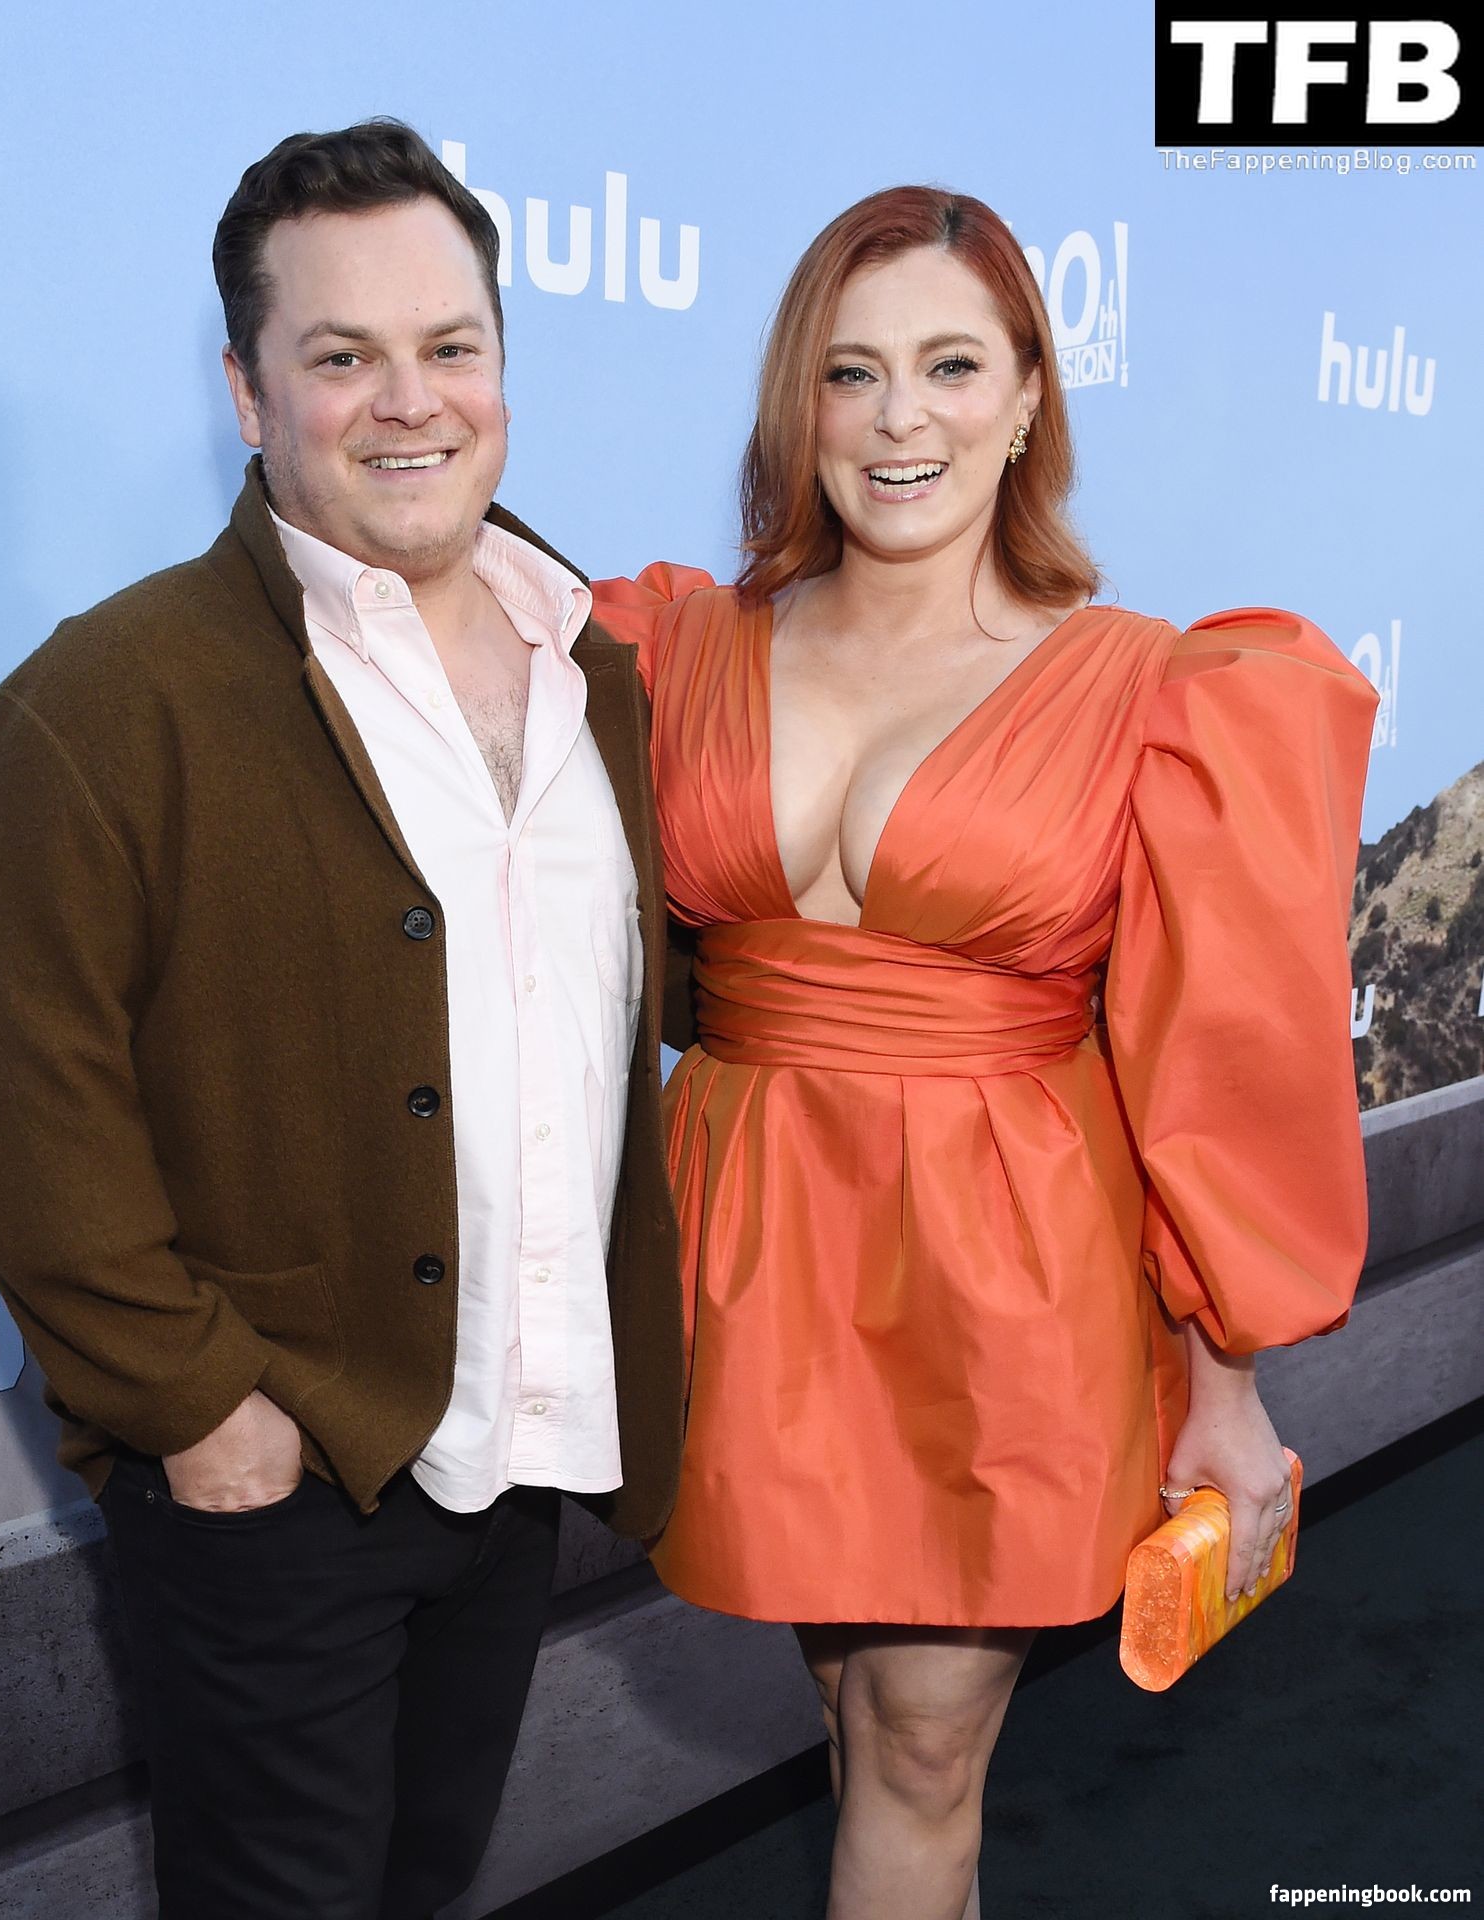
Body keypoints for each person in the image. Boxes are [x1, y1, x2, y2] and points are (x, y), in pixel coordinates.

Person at [594, 186, 1377, 1920]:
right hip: (749, 1255)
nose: (901, 420)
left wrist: (1225, 1389)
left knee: (927, 1745)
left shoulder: (1153, 690)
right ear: (801, 405)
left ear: (1029, 395)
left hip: (1004, 1275)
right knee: (853, 1713)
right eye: (852, 373)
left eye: (952, 366)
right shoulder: (674, 644)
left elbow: (1211, 1060)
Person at [0, 119, 682, 1920]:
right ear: (248, 391)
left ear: (502, 364)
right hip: (277, 1484)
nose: (409, 402)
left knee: (427, 1885)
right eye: (342, 356)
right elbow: (24, 1106)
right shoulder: (108, 699)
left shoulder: (596, 672)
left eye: (450, 346)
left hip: (518, 1463)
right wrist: (201, 1410)